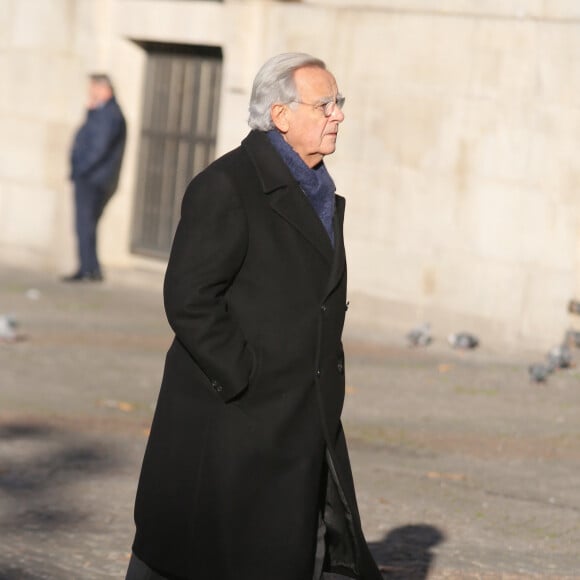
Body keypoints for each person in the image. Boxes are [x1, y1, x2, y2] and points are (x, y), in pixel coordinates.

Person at [126, 53, 382, 580]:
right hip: (232, 421)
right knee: (201, 555)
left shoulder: (317, 189)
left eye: (339, 103)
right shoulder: (227, 185)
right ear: (281, 115)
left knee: (286, 549)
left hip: (299, 417)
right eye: (325, 104)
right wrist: (244, 375)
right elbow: (189, 297)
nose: (338, 115)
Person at [62, 73, 126, 282]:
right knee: (86, 224)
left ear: (104, 89)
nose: (90, 92)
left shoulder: (109, 114)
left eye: (93, 88)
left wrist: (81, 168)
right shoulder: (101, 112)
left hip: (93, 179)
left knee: (85, 224)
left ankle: (88, 269)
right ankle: (89, 267)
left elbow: (98, 148)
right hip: (92, 177)